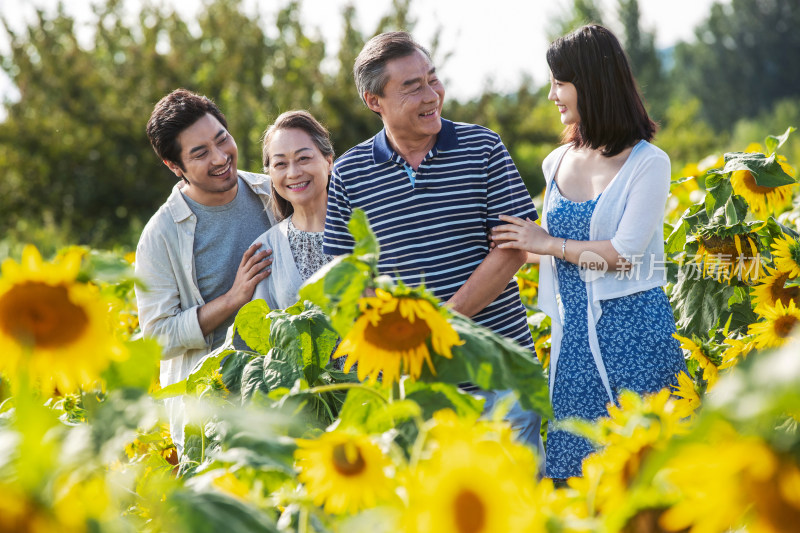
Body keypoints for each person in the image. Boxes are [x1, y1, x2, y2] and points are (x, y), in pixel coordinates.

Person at [323, 31, 540, 446]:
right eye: (412, 87)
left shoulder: (483, 147)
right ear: (374, 101)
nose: (431, 95)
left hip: (501, 375)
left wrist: (438, 325)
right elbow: (345, 277)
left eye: (432, 78)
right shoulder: (349, 175)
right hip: (417, 393)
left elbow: (513, 248)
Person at [492, 24, 688, 480]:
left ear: (592, 83)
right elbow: (548, 253)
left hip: (637, 337)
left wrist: (548, 243)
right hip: (573, 342)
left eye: (560, 82)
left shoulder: (648, 163)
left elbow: (625, 254)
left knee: (649, 476)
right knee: (575, 475)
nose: (552, 95)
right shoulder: (555, 162)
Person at [135, 88, 275, 452]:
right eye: (200, 153)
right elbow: (158, 338)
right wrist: (233, 299)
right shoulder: (161, 235)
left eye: (222, 140)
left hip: (284, 394)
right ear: (174, 166)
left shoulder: (273, 193)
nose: (220, 157)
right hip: (213, 414)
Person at [251, 110, 334, 311]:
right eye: (280, 164)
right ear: (269, 172)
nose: (293, 173)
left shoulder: (364, 230)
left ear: (329, 162)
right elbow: (264, 334)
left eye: (303, 158)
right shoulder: (265, 250)